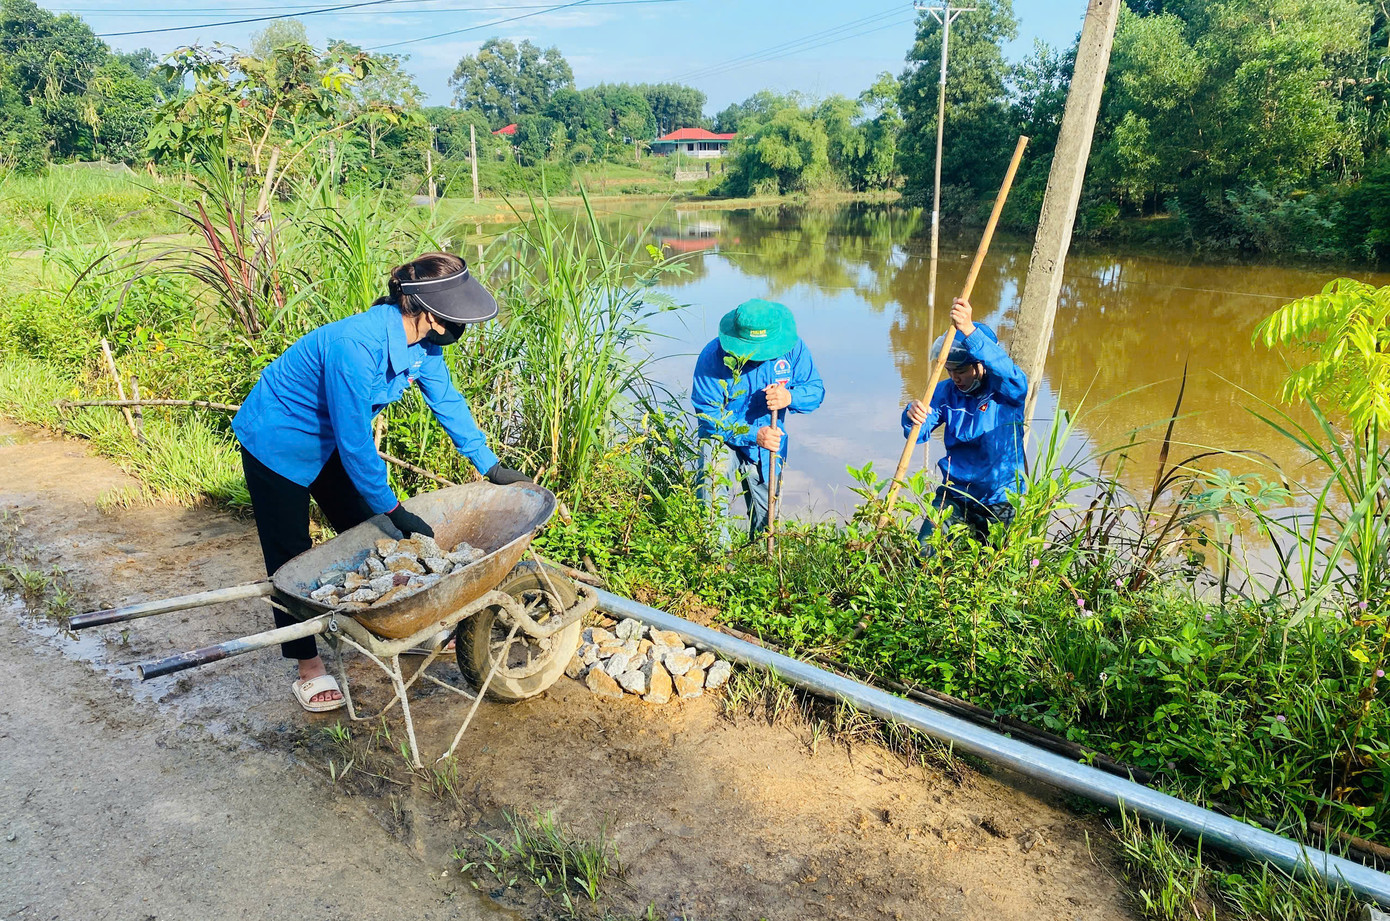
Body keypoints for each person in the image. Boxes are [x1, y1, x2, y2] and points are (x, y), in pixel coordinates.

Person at [232, 252, 530, 712]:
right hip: (279, 438)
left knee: (372, 534)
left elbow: (447, 402)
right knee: (290, 556)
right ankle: (308, 666)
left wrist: (488, 465)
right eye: (455, 316)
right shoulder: (358, 345)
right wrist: (392, 507)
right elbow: (356, 444)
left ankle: (397, 622)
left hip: (329, 440)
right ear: (428, 312)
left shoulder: (423, 344)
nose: (460, 327)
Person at [901, 296, 1027, 553]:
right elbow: (919, 432)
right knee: (924, 553)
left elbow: (1011, 374)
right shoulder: (946, 392)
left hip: (1000, 497)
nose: (955, 377)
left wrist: (968, 330)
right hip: (956, 493)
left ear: (981, 366)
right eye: (950, 370)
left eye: (962, 370)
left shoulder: (1006, 391)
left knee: (994, 565)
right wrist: (911, 416)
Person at [691, 298, 824, 538]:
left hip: (769, 443)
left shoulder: (793, 348)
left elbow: (815, 391)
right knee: (711, 485)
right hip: (723, 438)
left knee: (767, 520)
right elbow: (708, 415)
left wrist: (789, 397)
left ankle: (761, 561)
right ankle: (717, 560)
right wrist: (754, 434)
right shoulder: (713, 356)